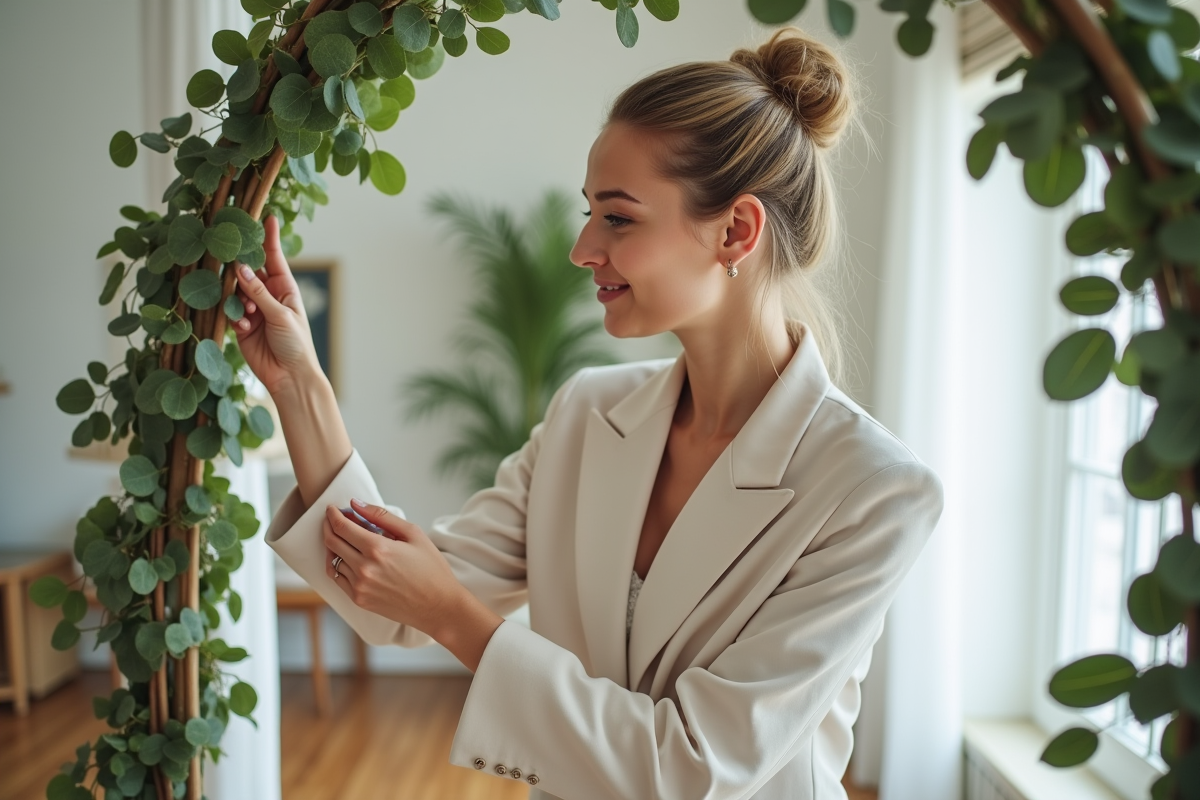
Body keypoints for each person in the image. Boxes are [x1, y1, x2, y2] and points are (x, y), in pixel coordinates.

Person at [232, 25, 943, 800]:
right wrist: (300, 387)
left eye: (619, 218)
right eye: (590, 213)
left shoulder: (873, 489)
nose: (581, 248)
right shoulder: (585, 415)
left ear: (736, 230)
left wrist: (459, 621)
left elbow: (691, 766)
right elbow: (394, 602)